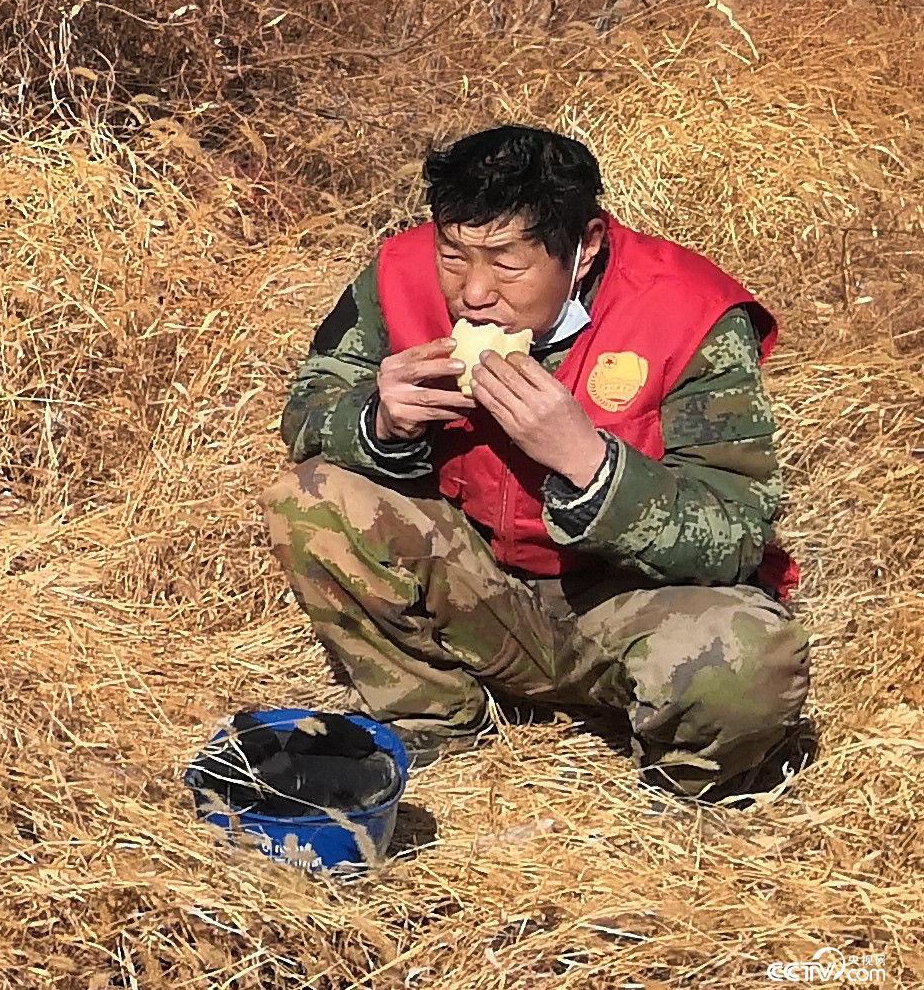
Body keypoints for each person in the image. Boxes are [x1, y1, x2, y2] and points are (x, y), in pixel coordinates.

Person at [270, 122, 808, 798]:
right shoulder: (398, 275)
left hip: (625, 602)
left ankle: (676, 777)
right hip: (474, 586)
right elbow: (306, 410)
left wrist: (592, 465)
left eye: (506, 261)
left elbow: (737, 530)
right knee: (309, 498)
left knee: (752, 661)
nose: (472, 292)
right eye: (455, 255)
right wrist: (375, 419)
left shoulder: (688, 314)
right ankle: (434, 714)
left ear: (583, 246)